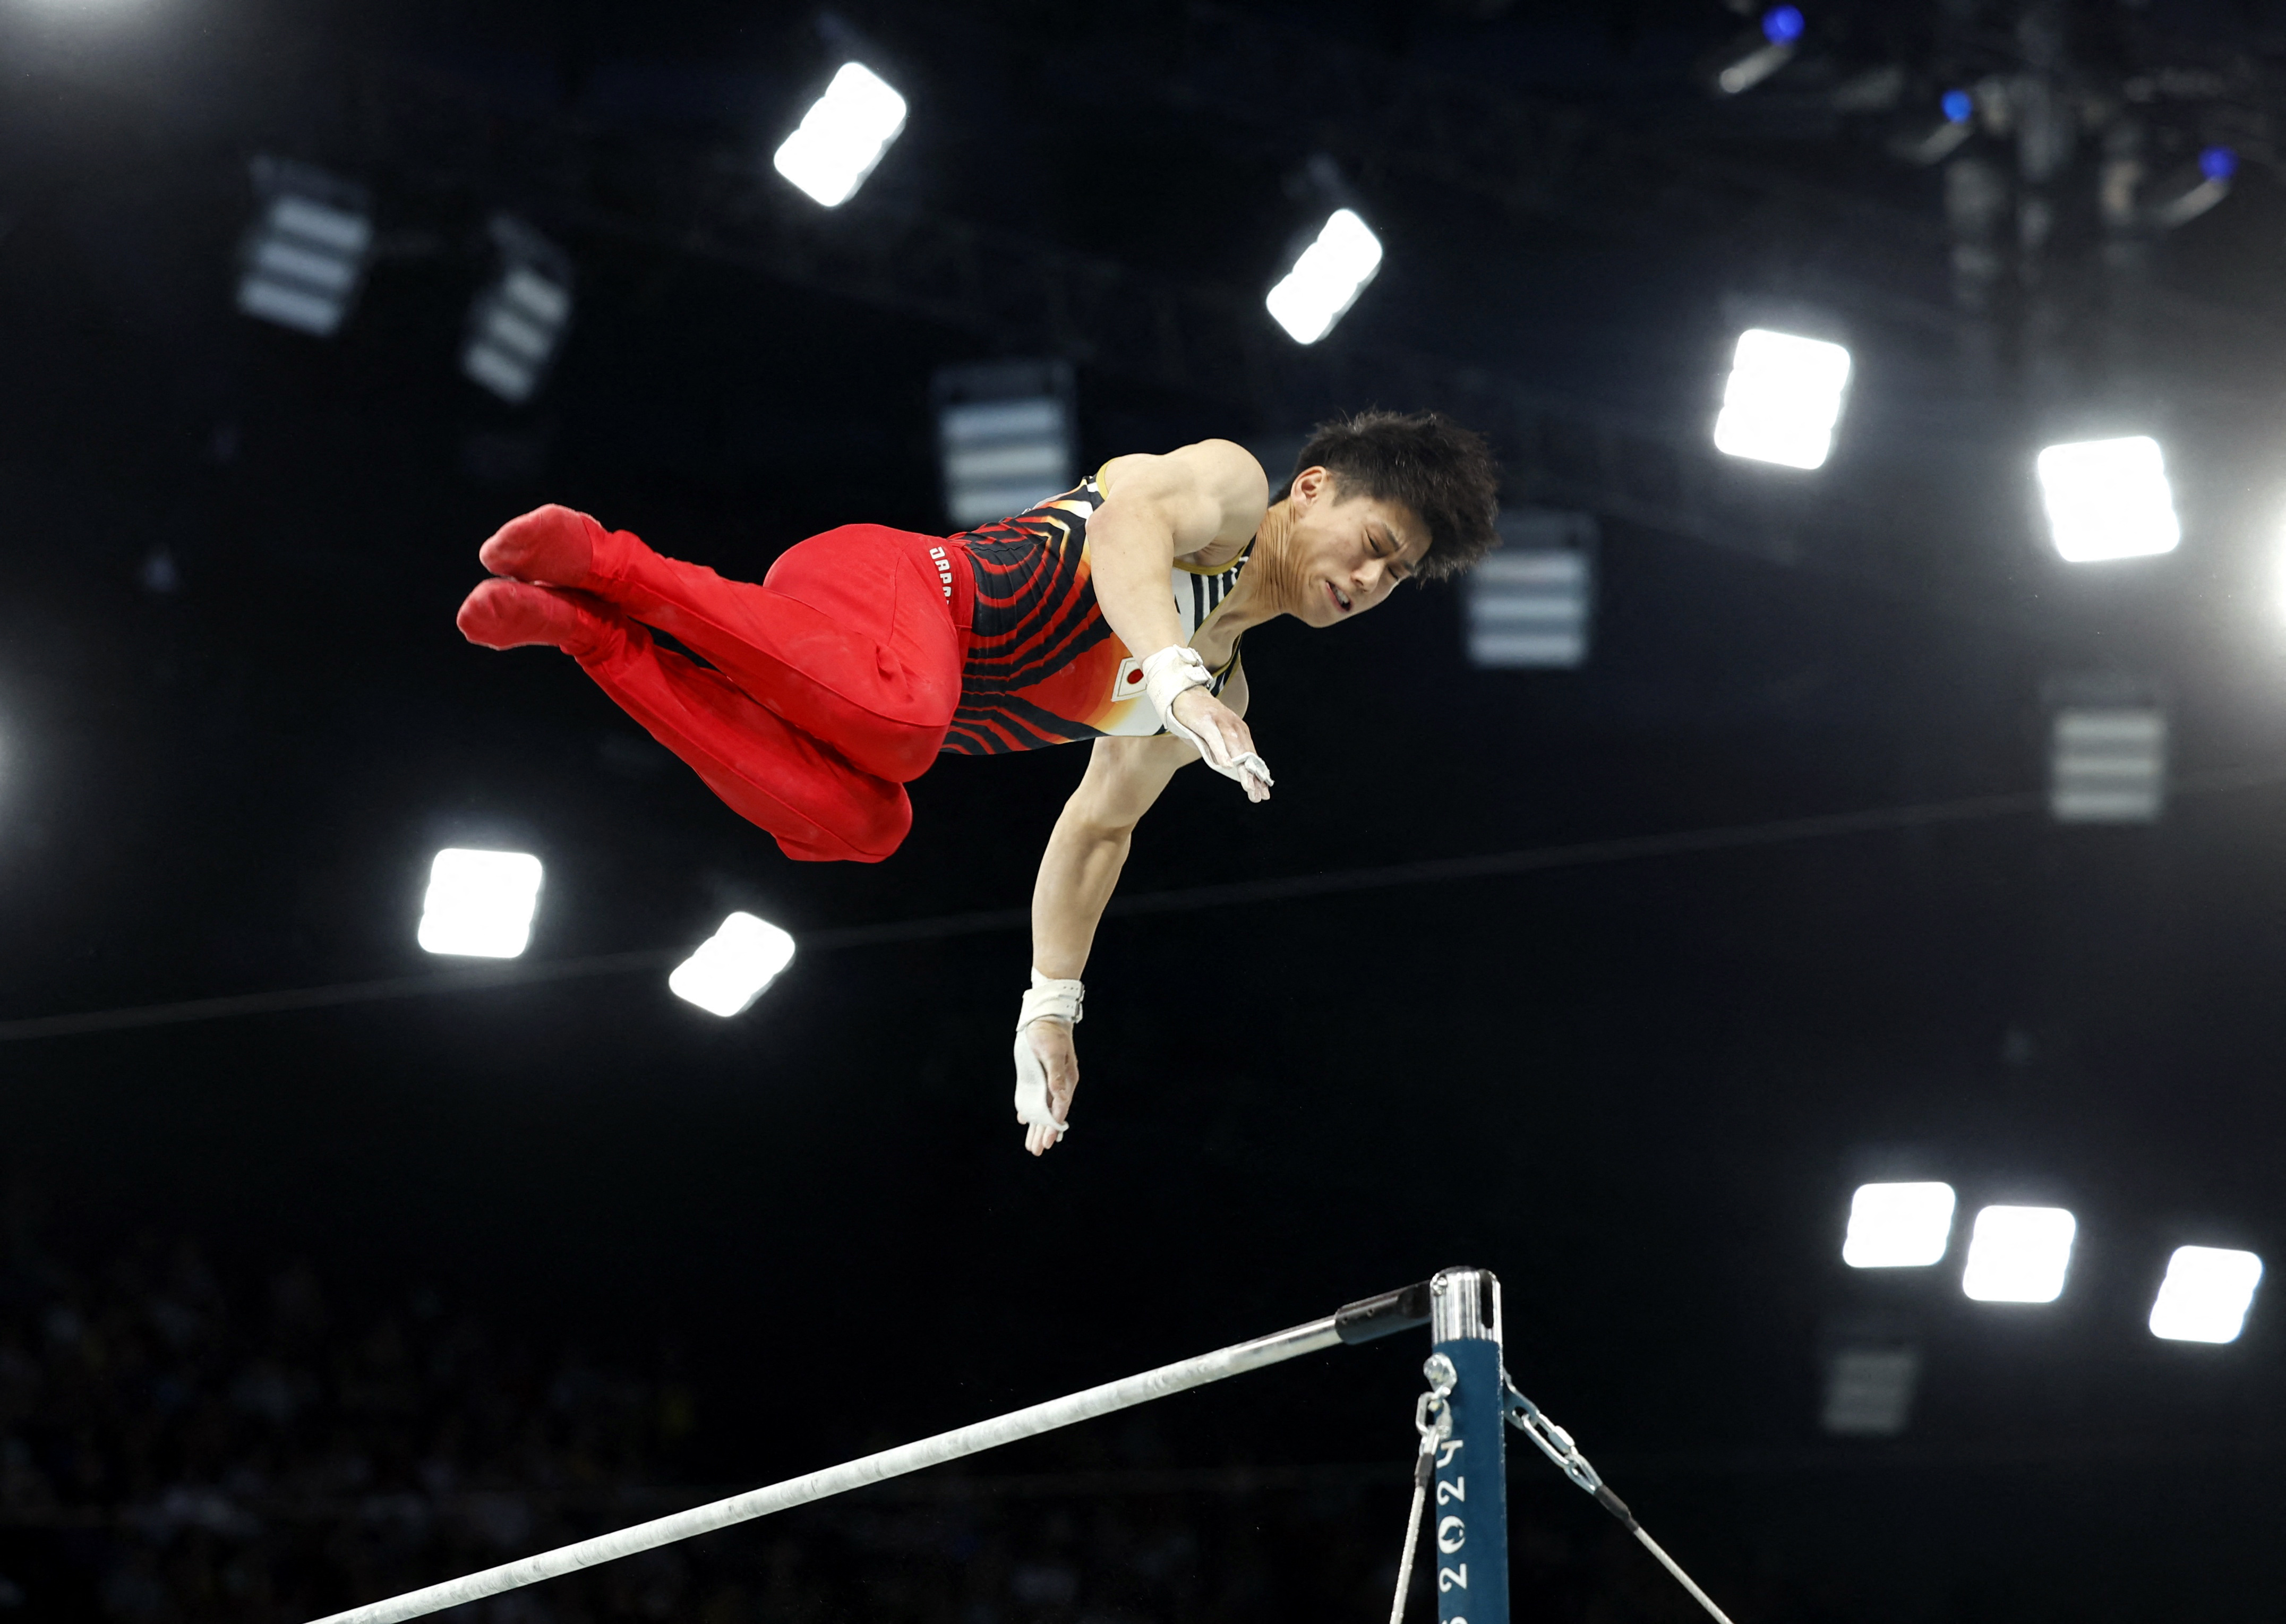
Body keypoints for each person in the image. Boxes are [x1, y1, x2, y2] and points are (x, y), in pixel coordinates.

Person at [455, 409, 1502, 1155]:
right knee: (909, 729)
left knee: (861, 822)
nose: (1368, 582)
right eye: (1371, 544)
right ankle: (609, 561)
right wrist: (1172, 671)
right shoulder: (1226, 495)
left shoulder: (1219, 694)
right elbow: (1124, 528)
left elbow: (1097, 828)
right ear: (1311, 489)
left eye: (1394, 575)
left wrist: (1049, 1005)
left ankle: (585, 632)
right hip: (884, 589)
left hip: (847, 694)